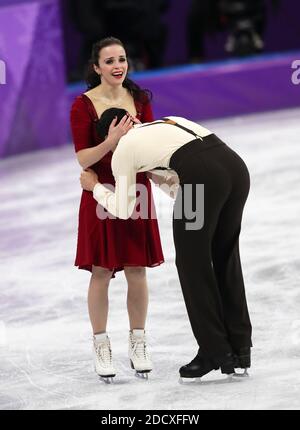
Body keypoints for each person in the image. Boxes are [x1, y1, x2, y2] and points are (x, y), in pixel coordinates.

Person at [80, 108, 253, 380]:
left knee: (191, 264)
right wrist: (157, 176)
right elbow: (189, 183)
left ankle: (214, 350)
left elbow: (124, 209)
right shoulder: (167, 122)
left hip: (201, 178)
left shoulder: (123, 149)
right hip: (235, 169)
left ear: (110, 136)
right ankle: (240, 348)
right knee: (225, 256)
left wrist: (95, 187)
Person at [70, 37, 164, 381]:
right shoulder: (82, 106)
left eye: (121, 59)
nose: (117, 66)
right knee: (101, 270)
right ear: (96, 67)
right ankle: (101, 345)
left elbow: (152, 146)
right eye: (109, 61)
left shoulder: (139, 99)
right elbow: (83, 158)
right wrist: (110, 142)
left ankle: (138, 342)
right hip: (101, 188)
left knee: (137, 267)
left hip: (136, 187)